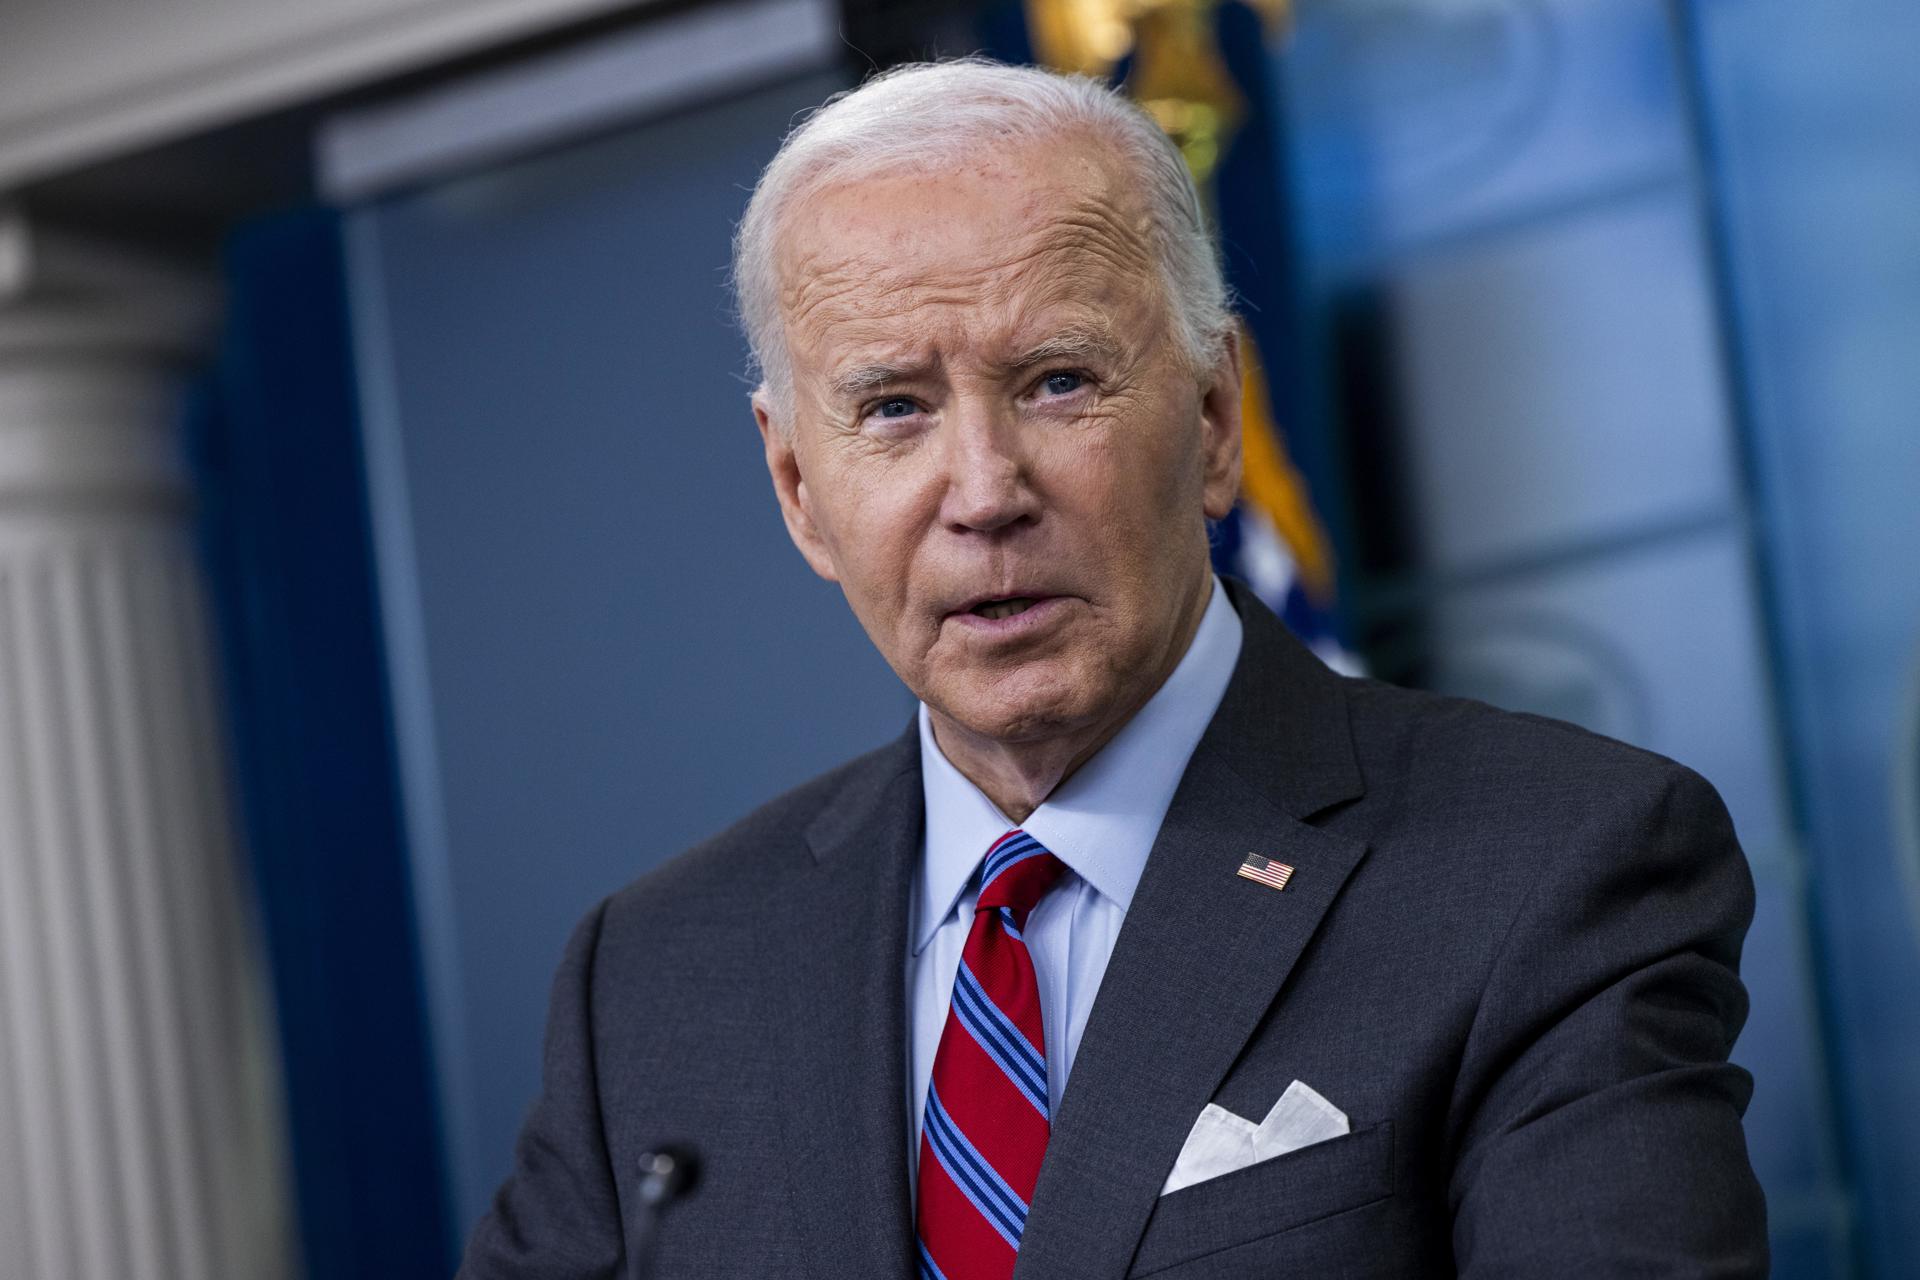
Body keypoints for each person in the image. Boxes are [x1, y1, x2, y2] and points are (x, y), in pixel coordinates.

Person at [459, 58, 1767, 1278]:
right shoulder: (654, 979)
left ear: (1212, 422)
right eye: (895, 409)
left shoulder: (1554, 867)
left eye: (1058, 382)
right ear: (798, 485)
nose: (983, 492)